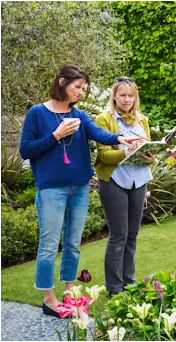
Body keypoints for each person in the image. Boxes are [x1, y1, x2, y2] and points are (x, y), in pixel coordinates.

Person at [19, 65, 140, 318]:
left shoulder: (80, 115)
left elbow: (98, 134)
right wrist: (55, 135)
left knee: (73, 244)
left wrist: (121, 139)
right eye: (77, 87)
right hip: (51, 189)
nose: (81, 93)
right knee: (49, 245)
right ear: (62, 82)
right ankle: (48, 298)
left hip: (80, 187)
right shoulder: (37, 114)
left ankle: (70, 293)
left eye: (83, 89)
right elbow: (26, 150)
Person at [94, 76, 155, 297]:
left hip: (138, 180)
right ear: (114, 96)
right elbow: (104, 155)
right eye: (123, 95)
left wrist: (150, 157)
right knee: (118, 235)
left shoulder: (142, 119)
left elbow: (148, 150)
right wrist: (127, 151)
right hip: (114, 181)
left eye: (131, 95)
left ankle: (129, 283)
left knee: (132, 235)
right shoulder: (104, 119)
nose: (127, 99)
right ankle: (114, 289)